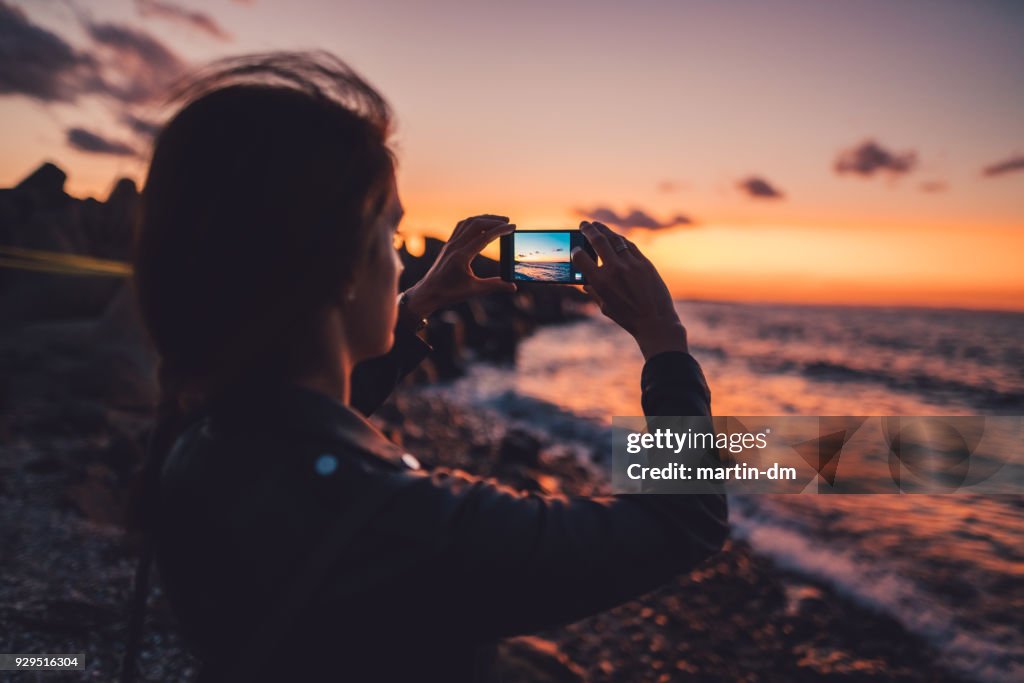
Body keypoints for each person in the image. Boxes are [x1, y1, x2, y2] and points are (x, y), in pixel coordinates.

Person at [129, 51, 728, 683]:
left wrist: (418, 303)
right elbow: (680, 522)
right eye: (392, 239)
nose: (402, 261)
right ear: (337, 271)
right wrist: (665, 346)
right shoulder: (392, 522)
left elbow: (301, 410)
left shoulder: (210, 431)